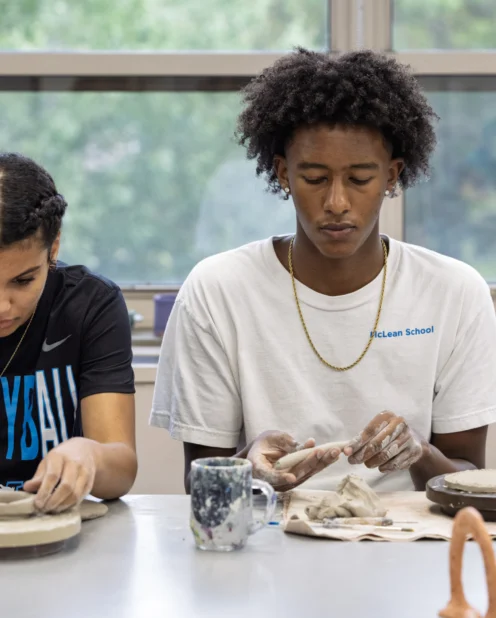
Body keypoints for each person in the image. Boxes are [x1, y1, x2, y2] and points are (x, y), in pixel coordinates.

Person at [150, 49, 496, 493]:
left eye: (359, 179)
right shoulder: (217, 291)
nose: (336, 203)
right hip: (270, 543)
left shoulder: (454, 292)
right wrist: (247, 465)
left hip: (407, 546)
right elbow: (201, 484)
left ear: (392, 176)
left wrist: (420, 451)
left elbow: (469, 476)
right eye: (314, 179)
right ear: (283, 174)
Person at [0, 152, 137, 511]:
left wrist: (89, 454)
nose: (2, 306)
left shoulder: (91, 306)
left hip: (52, 529)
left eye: (23, 280)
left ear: (53, 249)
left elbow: (121, 468)